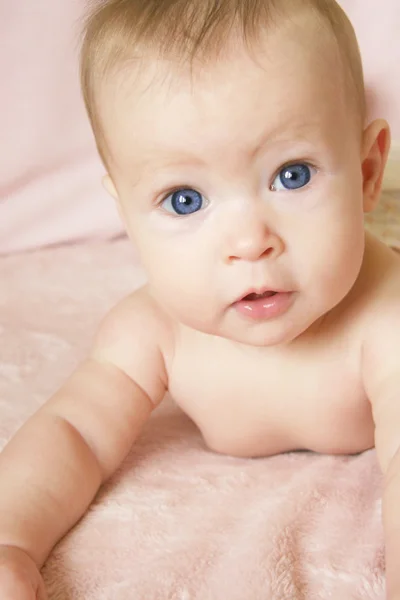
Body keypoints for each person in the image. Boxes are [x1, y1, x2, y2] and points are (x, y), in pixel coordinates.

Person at [0, 0, 398, 598]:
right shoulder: (152, 331)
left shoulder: (384, 318)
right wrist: (12, 541)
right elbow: (72, 433)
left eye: (292, 175)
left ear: (367, 171)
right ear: (126, 213)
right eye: (185, 199)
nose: (248, 243)